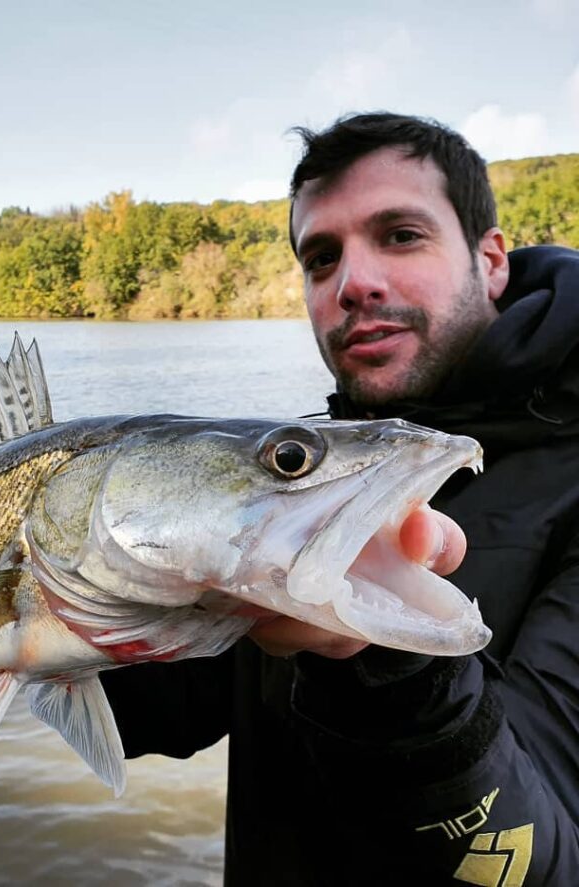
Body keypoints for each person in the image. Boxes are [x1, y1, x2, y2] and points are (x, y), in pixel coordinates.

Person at [101, 112, 579, 885]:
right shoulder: (297, 471)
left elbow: (535, 863)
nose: (353, 282)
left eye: (400, 235)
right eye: (321, 257)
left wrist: (386, 664)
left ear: (490, 260)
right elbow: (162, 715)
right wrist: (57, 597)